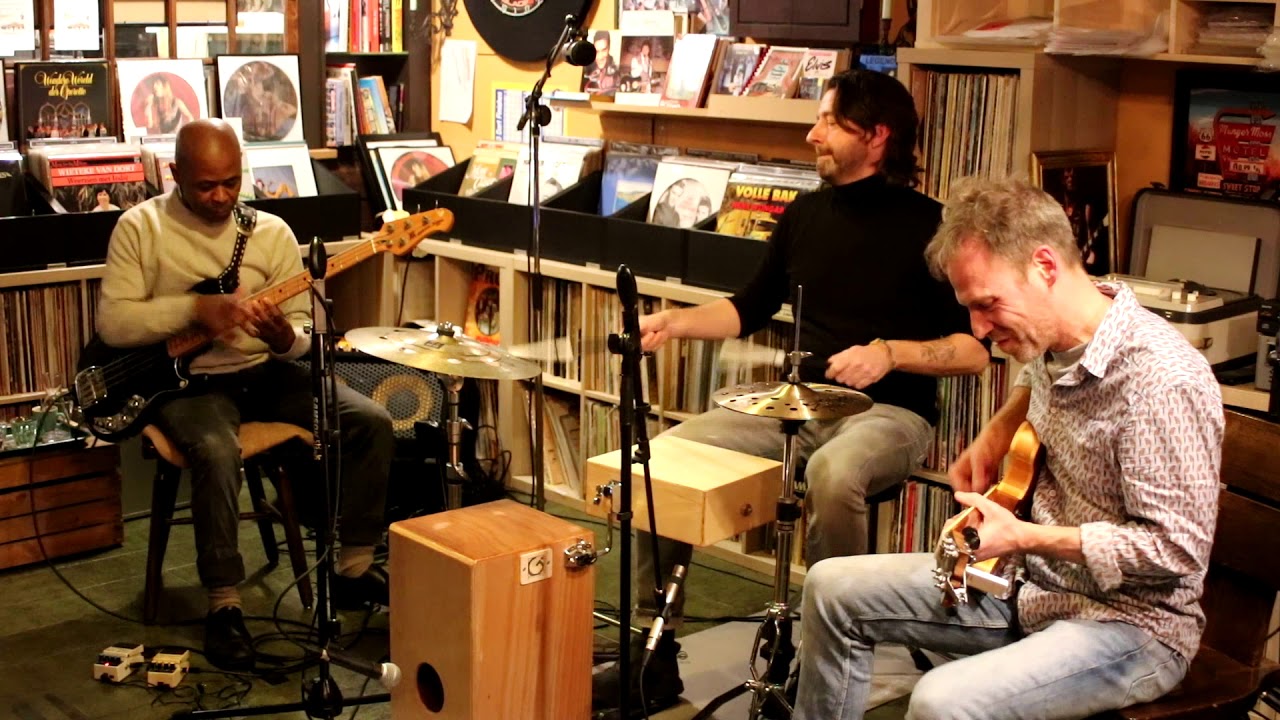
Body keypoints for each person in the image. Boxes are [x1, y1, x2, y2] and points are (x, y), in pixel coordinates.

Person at [592, 69, 989, 717]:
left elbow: (973, 351)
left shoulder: (934, 227)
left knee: (834, 475)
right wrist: (676, 322)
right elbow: (749, 307)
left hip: (890, 415)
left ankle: (825, 656)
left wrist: (893, 353)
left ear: (878, 135)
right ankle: (654, 650)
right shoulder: (805, 214)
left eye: (830, 122)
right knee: (661, 461)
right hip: (796, 407)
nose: (813, 135)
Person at [793, 176, 1224, 720]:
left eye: (987, 304)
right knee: (829, 587)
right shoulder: (1062, 325)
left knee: (940, 701)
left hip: (1131, 625)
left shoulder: (1161, 382)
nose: (977, 327)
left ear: (1044, 267)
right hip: (1030, 586)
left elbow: (1177, 551)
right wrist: (996, 433)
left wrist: (1025, 535)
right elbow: (1037, 379)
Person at [96, 119, 394, 671]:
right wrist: (192, 309)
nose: (221, 196)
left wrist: (284, 338)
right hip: (189, 384)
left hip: (264, 372)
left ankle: (352, 567)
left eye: (231, 182)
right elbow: (114, 323)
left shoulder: (272, 233)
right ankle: (224, 605)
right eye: (207, 184)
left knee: (369, 418)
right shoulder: (140, 227)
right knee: (214, 449)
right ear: (174, 174)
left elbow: (303, 330)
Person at [582, 31, 620, 95]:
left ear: (609, 48)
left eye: (604, 50)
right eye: (597, 51)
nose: (600, 57)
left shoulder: (617, 72)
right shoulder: (586, 69)